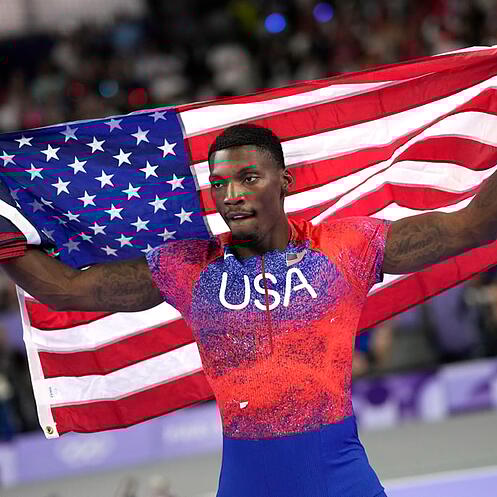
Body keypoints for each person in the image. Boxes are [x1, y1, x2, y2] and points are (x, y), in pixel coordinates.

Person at [1, 123, 496, 497]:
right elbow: (65, 290)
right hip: (245, 483)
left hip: (339, 479)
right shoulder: (188, 267)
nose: (232, 196)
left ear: (285, 181)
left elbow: (472, 225)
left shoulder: (347, 248)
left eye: (248, 178)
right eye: (219, 184)